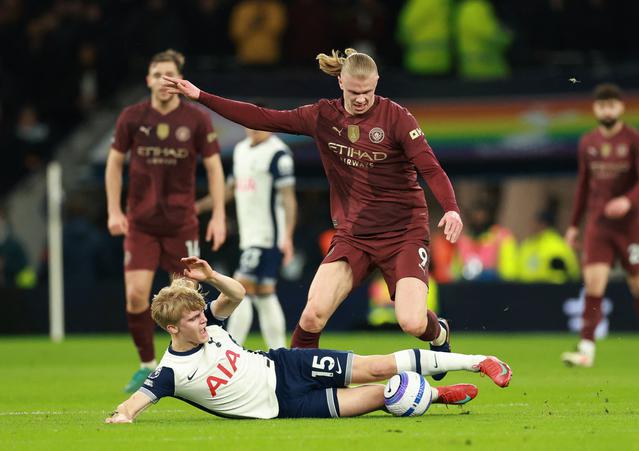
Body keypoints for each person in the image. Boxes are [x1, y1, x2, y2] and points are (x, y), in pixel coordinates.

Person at [161, 48, 464, 382]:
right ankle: (295, 384)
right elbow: (262, 117)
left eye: (367, 92)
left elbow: (430, 167)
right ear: (340, 82)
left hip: (403, 233)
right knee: (313, 315)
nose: (361, 99)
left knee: (412, 322)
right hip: (354, 235)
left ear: (377, 83)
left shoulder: (397, 118)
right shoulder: (323, 116)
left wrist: (450, 208)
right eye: (353, 92)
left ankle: (440, 335)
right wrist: (201, 96)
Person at [105, 257, 512, 423]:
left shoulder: (210, 323)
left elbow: (238, 295)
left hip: (286, 364)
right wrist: (122, 416)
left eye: (200, 313)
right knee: (382, 396)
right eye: (192, 319)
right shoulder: (171, 372)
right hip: (287, 405)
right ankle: (442, 397)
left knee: (378, 365)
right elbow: (135, 403)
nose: (202, 321)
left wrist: (209, 277)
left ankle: (480, 361)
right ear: (172, 329)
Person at [105, 49, 227, 393]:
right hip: (141, 224)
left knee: (187, 300)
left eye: (169, 75)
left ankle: (194, 366)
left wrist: (218, 214)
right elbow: (114, 163)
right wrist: (114, 210)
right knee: (135, 297)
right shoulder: (131, 117)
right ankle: (146, 365)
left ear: (179, 80)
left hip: (181, 224)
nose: (163, 81)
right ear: (148, 79)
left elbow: (214, 167)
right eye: (157, 74)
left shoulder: (197, 120)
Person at [561, 83, 639, 368]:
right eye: (602, 105)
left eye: (611, 105)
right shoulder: (588, 143)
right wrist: (573, 225)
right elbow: (583, 185)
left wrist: (628, 202)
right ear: (595, 109)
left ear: (621, 107)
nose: (607, 109)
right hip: (599, 225)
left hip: (631, 227)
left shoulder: (636, 140)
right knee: (594, 284)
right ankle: (586, 349)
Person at [195, 125, 296, 349]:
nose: (253, 130)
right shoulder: (241, 150)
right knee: (264, 294)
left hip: (267, 237)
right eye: (249, 125)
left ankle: (230, 350)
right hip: (249, 237)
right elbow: (230, 189)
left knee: (238, 290)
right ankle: (280, 353)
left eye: (259, 125)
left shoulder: (278, 154)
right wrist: (198, 207)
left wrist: (287, 236)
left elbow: (288, 198)